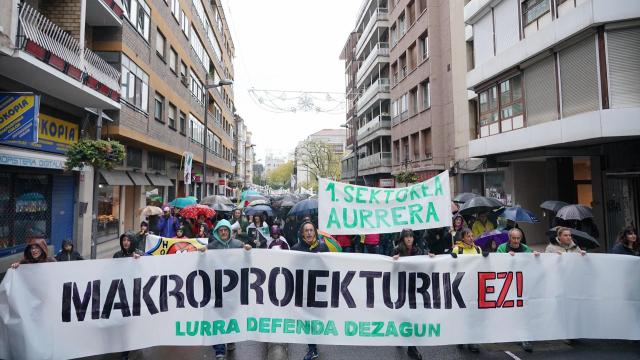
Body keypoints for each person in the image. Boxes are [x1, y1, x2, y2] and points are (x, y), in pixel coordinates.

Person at [199, 219, 251, 359]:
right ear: (217, 232)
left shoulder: (238, 245)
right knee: (217, 317)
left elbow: (248, 262)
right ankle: (219, 349)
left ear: (229, 231)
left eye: (225, 230)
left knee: (230, 315)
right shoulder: (212, 246)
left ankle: (230, 339)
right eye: (220, 230)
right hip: (216, 289)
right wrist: (202, 253)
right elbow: (201, 264)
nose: (223, 232)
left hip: (233, 290)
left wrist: (247, 251)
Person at [391, 229, 433, 360]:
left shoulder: (418, 250)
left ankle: (412, 348)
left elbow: (423, 262)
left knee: (414, 316)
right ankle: (402, 337)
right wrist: (393, 261)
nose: (409, 239)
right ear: (402, 238)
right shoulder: (397, 250)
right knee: (403, 315)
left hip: (415, 288)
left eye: (411, 237)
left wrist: (430, 257)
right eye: (407, 237)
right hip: (401, 288)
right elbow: (390, 269)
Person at [496, 228, 539, 352]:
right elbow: (497, 263)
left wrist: (536, 255)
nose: (516, 241)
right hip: (507, 285)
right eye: (513, 238)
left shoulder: (525, 248)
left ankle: (524, 337)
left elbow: (533, 261)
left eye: (518, 238)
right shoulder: (502, 248)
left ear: (521, 238)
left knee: (523, 310)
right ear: (509, 238)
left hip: (522, 284)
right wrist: (506, 257)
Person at [291, 221, 329, 360]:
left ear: (315, 232)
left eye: (311, 230)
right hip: (304, 290)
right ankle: (312, 348)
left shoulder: (323, 247)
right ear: (302, 233)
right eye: (306, 230)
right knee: (307, 319)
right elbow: (291, 268)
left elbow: (330, 267)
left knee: (317, 319)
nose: (308, 233)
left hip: (319, 290)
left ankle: (313, 342)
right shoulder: (296, 248)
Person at [450, 227, 486, 353]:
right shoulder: (457, 249)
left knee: (473, 314)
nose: (471, 238)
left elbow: (482, 265)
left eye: (472, 236)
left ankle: (472, 341)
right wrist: (451, 258)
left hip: (474, 285)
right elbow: (451, 267)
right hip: (460, 286)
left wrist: (486, 257)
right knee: (462, 313)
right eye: (468, 236)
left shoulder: (478, 249)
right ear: (463, 238)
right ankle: (461, 337)